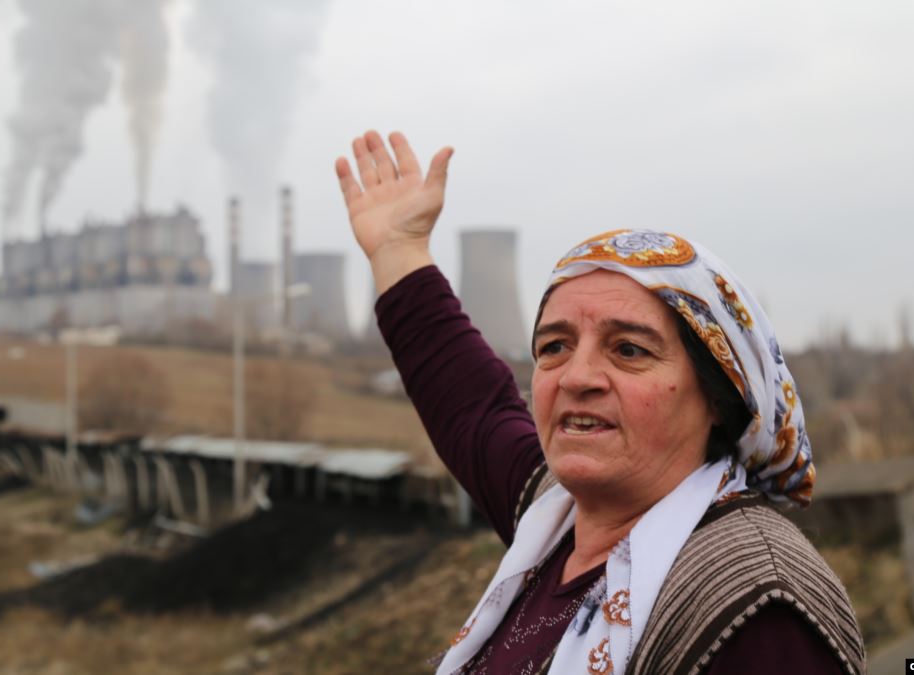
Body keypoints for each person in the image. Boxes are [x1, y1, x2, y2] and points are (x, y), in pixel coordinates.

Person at [334, 130, 866, 675]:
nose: (577, 376)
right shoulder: (554, 521)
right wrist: (398, 251)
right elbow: (472, 406)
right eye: (555, 346)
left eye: (629, 349)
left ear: (718, 396)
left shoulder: (759, 606)